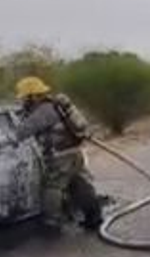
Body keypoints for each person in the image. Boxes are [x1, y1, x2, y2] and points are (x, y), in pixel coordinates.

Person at [10, 77, 103, 231]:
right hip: (74, 153)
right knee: (79, 183)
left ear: (33, 96)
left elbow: (23, 131)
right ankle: (94, 216)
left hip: (60, 157)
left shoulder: (43, 112)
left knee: (52, 187)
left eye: (25, 98)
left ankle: (51, 222)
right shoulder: (53, 106)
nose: (23, 101)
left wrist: (1, 142)